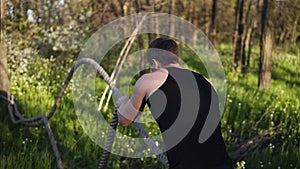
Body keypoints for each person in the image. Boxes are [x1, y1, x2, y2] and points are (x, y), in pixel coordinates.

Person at [117, 37, 234, 169]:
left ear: (155, 63)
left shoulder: (148, 80)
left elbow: (125, 120)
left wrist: (122, 102)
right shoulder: (207, 82)